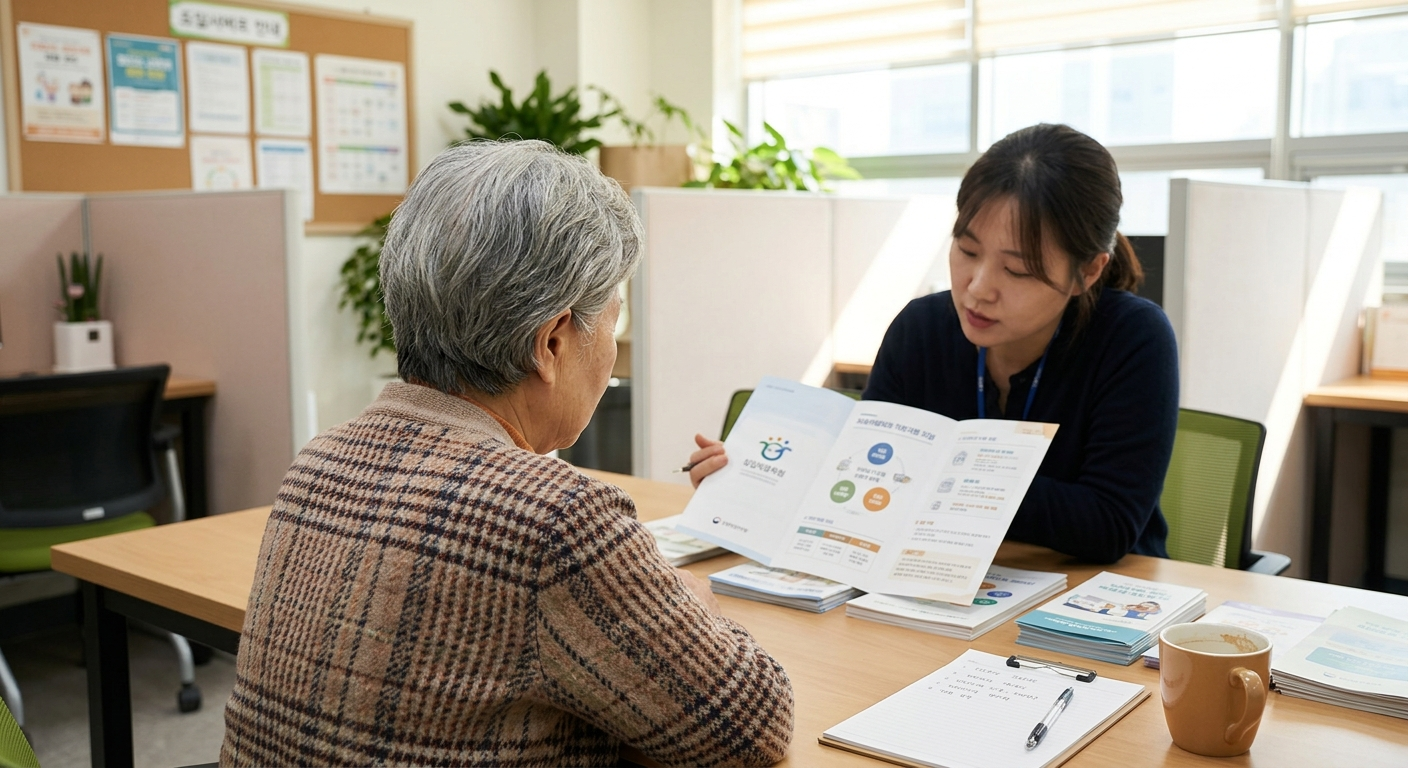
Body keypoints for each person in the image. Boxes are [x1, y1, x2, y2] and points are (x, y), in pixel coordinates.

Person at [222, 140, 794, 767]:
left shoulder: (320, 459)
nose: (608, 350)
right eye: (612, 320)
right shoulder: (556, 520)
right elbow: (750, 729)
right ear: (551, 342)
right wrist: (693, 605)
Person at [688, 123, 1178, 565]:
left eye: (1017, 270)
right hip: (932, 578)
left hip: (1089, 599)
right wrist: (753, 475)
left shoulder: (1133, 338)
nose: (978, 287)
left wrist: (935, 472)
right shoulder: (921, 329)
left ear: (1088, 270)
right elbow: (868, 486)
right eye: (967, 250)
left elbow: (1107, 525)